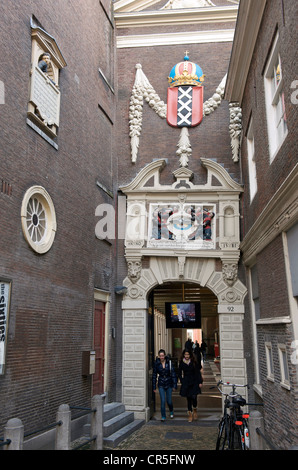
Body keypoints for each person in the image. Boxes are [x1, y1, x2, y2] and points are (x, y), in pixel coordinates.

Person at [178, 349, 203, 422]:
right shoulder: (182, 363)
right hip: (186, 382)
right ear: (183, 355)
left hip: (194, 381)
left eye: (188, 354)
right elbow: (179, 373)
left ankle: (194, 409)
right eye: (185, 354)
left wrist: (200, 382)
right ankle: (190, 414)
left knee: (194, 397)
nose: (186, 356)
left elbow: (197, 372)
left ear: (190, 355)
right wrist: (182, 380)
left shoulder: (193, 362)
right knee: (188, 399)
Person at [153, 349, 177, 421]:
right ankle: (163, 416)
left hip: (169, 383)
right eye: (160, 356)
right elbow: (154, 375)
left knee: (169, 401)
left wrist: (174, 385)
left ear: (165, 355)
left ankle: (171, 410)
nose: (161, 357)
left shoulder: (169, 363)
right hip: (161, 384)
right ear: (158, 356)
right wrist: (154, 386)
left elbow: (173, 374)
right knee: (162, 401)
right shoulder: (157, 364)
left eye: (163, 356)